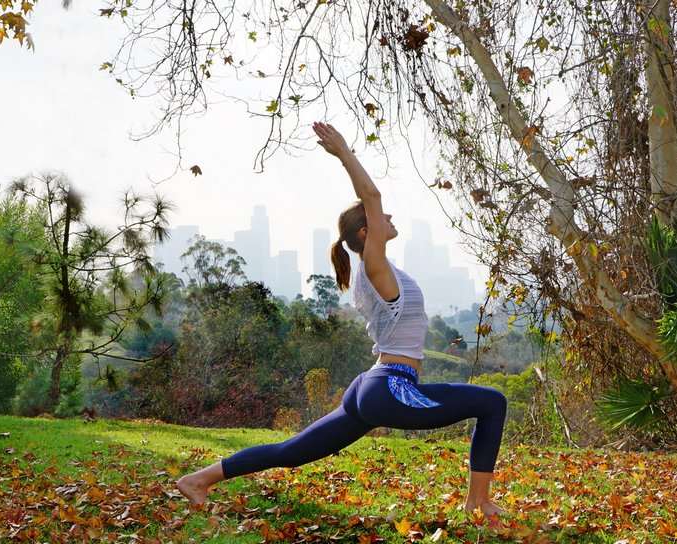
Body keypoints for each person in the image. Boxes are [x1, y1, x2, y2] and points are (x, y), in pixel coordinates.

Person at [177, 122, 508, 516]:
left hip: (371, 386)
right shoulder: (374, 267)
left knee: (293, 452)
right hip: (390, 389)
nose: (389, 216)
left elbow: (374, 205)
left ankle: (198, 480)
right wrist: (344, 153)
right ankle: (479, 501)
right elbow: (371, 193)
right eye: (382, 216)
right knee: (493, 403)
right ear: (368, 232)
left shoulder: (379, 272)